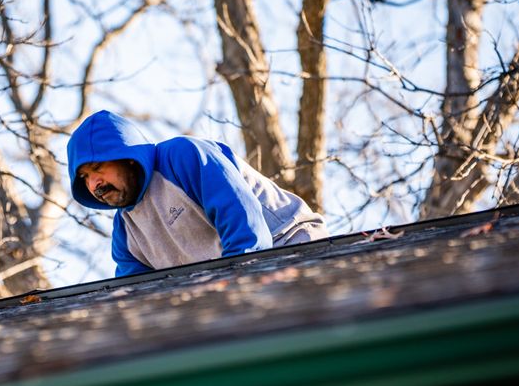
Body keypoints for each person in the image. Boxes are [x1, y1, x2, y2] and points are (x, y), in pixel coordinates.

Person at [68, 109, 329, 276]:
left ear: (128, 157)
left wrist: (238, 283)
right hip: (225, 282)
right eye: (85, 178)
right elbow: (133, 296)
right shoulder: (126, 233)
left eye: (97, 168)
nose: (94, 184)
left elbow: (246, 228)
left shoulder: (182, 158)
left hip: (291, 248)